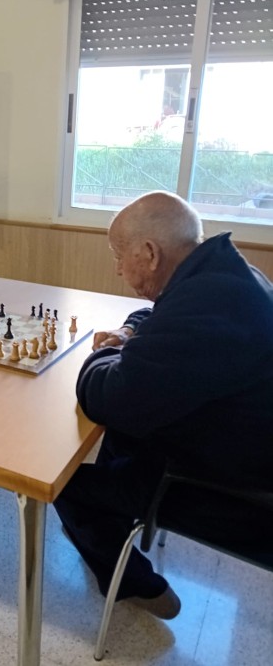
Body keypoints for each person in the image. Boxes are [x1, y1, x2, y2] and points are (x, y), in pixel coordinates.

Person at [54, 190, 273, 619]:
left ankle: (138, 585)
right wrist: (127, 333)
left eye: (119, 256)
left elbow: (104, 397)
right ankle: (112, 527)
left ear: (150, 253)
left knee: (66, 484)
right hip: (235, 446)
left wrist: (102, 354)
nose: (118, 269)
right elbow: (159, 317)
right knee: (118, 439)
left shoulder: (207, 306)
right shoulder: (223, 275)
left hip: (231, 491)